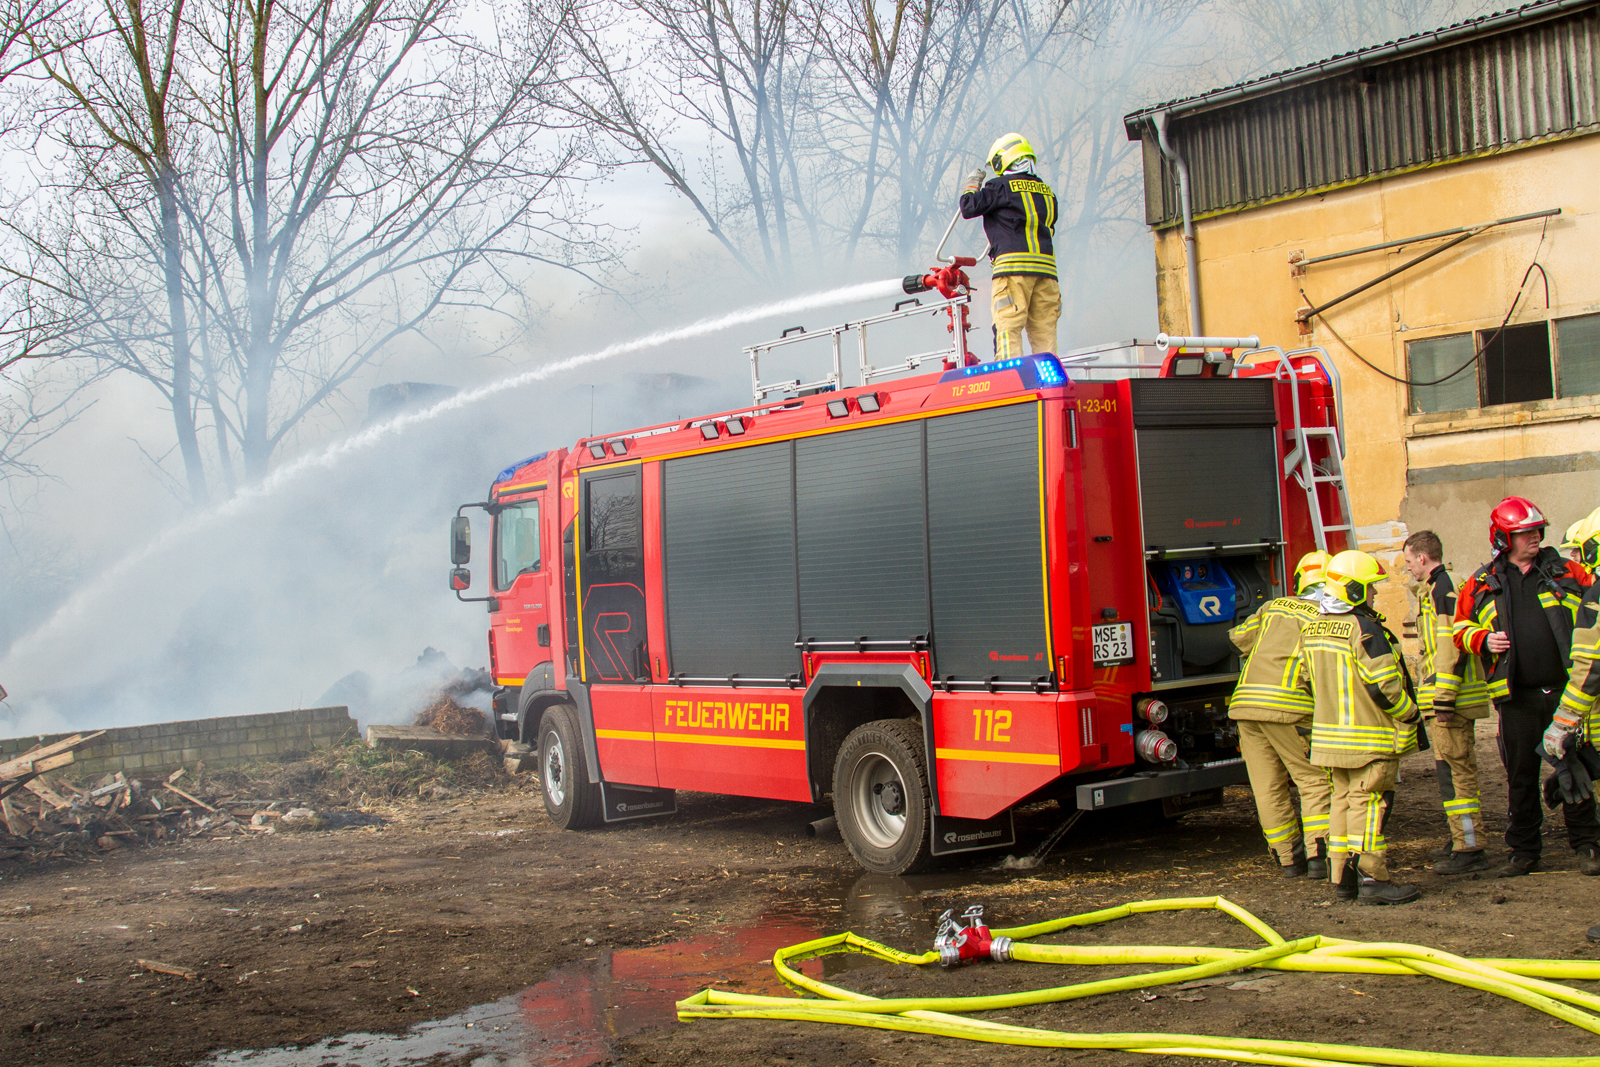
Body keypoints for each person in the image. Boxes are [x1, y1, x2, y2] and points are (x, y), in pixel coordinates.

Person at [1454, 496, 1598, 877]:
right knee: (1520, 776)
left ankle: (1586, 845)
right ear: (1504, 538)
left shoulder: (1567, 571)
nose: (1535, 536)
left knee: (1574, 770)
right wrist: (1482, 639)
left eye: (1537, 529)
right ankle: (1524, 851)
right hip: (1516, 698)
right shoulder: (1482, 581)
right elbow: (1458, 628)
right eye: (1524, 532)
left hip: (1565, 694)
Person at [1299, 550, 1421, 905]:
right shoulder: (1365, 629)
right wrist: (1411, 714)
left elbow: (1306, 679)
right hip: (1370, 740)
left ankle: (1342, 878)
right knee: (1368, 807)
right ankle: (1372, 878)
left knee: (1340, 804)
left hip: (1330, 741)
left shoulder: (1313, 627)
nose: (1374, 596)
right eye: (1369, 589)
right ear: (1352, 589)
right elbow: (1386, 687)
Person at [1227, 551, 1333, 879]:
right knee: (1313, 780)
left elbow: (1238, 638)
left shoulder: (1274, 606)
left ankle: (1288, 859)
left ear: (1300, 580)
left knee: (1267, 786)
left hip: (1245, 706)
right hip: (1289, 708)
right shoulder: (1328, 615)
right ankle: (1319, 857)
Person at [1402, 530, 1491, 874]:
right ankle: (1461, 840)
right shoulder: (1438, 587)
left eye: (1409, 562)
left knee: (1457, 774)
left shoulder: (1443, 589)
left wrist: (1443, 698)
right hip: (1445, 700)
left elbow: (1450, 647)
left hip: (1449, 702)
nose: (1408, 569)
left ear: (1422, 558)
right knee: (1449, 773)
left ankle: (1470, 847)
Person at [959, 133, 1061, 360]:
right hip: (1047, 275)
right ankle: (1047, 383)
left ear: (1005, 159)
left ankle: (1010, 377)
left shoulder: (999, 187)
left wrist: (972, 184)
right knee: (1045, 332)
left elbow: (968, 207)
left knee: (1008, 326)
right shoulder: (1047, 193)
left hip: (1013, 272)